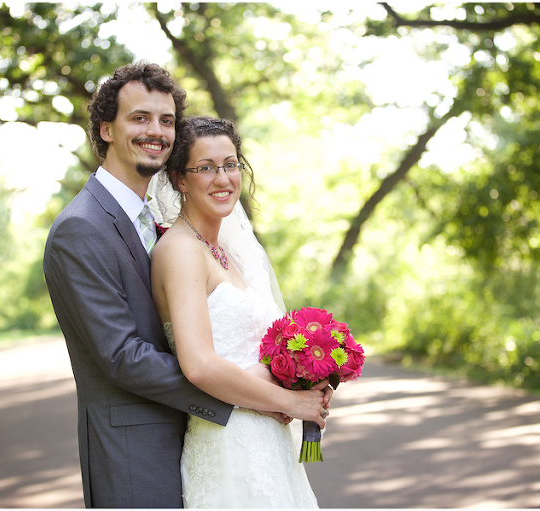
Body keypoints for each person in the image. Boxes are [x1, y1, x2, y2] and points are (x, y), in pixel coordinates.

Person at [43, 63, 329, 508]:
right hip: (135, 450)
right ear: (105, 129)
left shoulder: (155, 224)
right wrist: (255, 390)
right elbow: (122, 356)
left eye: (167, 120)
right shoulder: (80, 228)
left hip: (202, 436)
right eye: (139, 118)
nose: (155, 131)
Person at [149, 116, 328, 508]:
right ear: (180, 179)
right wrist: (291, 403)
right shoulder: (180, 250)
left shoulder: (229, 250)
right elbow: (198, 365)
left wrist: (298, 376)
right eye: (206, 168)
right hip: (229, 441)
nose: (223, 178)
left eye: (230, 165)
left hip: (267, 439)